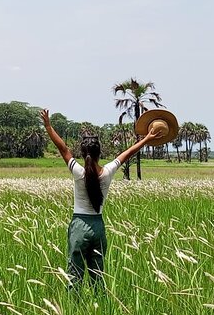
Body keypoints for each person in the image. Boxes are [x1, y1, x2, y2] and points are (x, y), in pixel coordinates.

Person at [41, 109, 161, 290]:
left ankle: (73, 310)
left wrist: (48, 126)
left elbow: (63, 148)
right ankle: (100, 309)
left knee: (75, 275)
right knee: (98, 276)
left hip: (79, 226)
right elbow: (127, 153)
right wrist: (147, 139)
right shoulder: (107, 172)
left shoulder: (78, 172)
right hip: (98, 227)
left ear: (82, 153)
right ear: (99, 153)